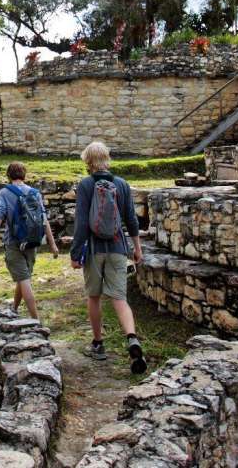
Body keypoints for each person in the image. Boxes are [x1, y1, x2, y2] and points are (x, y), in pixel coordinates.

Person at [69, 141, 147, 374]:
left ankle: (98, 344)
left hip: (93, 250)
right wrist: (137, 248)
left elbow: (82, 223)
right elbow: (132, 220)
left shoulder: (85, 185)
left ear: (88, 162)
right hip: (117, 248)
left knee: (94, 297)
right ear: (107, 159)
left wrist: (75, 253)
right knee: (119, 298)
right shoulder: (121, 184)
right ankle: (132, 338)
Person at [0, 162, 59, 319]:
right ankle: (14, 308)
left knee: (24, 280)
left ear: (8, 175)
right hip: (32, 241)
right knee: (23, 277)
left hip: (13, 242)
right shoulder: (34, 193)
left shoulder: (4, 193)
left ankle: (35, 320)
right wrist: (52, 244)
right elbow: (43, 219)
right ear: (24, 175)